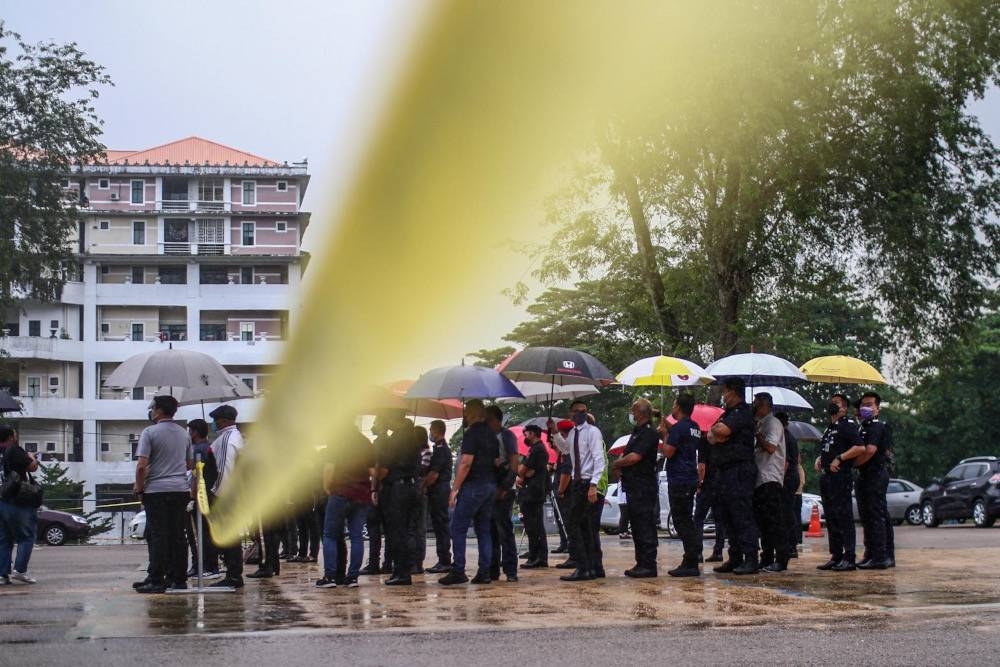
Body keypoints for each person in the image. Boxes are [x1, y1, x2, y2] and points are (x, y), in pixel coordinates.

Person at [133, 395, 193, 593]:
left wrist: (140, 489)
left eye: (153, 408)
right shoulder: (184, 434)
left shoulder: (149, 432)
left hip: (156, 491)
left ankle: (157, 580)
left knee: (158, 535)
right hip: (180, 489)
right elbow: (189, 464)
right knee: (178, 535)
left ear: (158, 410)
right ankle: (179, 579)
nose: (151, 411)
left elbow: (141, 466)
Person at [707, 378, 760, 575]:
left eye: (725, 391)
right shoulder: (727, 413)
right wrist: (719, 434)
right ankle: (735, 556)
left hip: (740, 470)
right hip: (725, 470)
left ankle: (751, 558)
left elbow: (722, 430)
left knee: (742, 515)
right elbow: (711, 436)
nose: (723, 394)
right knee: (727, 516)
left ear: (733, 392)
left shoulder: (743, 412)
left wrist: (721, 433)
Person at [439, 400, 496, 585]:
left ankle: (458, 570)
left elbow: (465, 462)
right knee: (483, 529)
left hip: (473, 486)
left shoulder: (472, 434)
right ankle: (485, 572)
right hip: (490, 485)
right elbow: (496, 461)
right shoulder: (492, 434)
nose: (464, 416)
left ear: (472, 413)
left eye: (466, 412)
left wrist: (454, 489)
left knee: (458, 527)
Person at [548, 399, 605, 582]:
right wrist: (555, 432)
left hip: (587, 482)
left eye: (583, 410)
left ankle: (584, 566)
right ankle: (592, 566)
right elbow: (565, 450)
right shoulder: (573, 433)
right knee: (584, 527)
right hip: (578, 482)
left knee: (575, 525)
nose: (580, 413)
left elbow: (599, 459)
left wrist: (593, 484)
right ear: (571, 413)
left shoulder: (593, 432)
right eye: (576, 411)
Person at [317, 427, 374, 588]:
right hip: (361, 494)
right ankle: (353, 577)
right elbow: (372, 471)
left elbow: (329, 468)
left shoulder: (337, 442)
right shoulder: (365, 442)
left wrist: (327, 487)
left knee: (330, 535)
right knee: (357, 537)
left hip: (340, 491)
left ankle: (330, 576)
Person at [612, 398, 660, 578]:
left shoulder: (649, 433)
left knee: (645, 526)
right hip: (633, 485)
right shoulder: (637, 432)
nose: (631, 414)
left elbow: (635, 457)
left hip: (643, 486)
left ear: (640, 413)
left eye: (633, 411)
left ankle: (648, 564)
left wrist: (618, 463)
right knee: (637, 526)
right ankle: (641, 562)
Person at [817, 393, 863, 571]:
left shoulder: (848, 425)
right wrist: (821, 458)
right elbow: (830, 447)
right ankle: (836, 555)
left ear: (844, 407)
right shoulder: (830, 427)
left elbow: (859, 447)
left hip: (841, 476)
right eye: (832, 403)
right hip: (827, 476)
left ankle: (849, 557)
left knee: (844, 517)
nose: (833, 406)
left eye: (836, 403)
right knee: (831, 517)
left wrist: (840, 458)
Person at [376, 412, 422, 586]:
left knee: (397, 532)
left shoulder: (395, 439)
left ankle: (401, 572)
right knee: (408, 531)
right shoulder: (414, 437)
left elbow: (385, 468)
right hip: (412, 487)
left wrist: (375, 476)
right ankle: (405, 569)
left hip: (398, 489)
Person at [851, 391, 894, 570]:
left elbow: (870, 450)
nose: (865, 408)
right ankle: (871, 553)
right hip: (865, 475)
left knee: (877, 515)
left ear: (877, 408)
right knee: (867, 516)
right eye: (863, 405)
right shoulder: (863, 426)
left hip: (875, 474)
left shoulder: (876, 426)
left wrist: (853, 464)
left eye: (870, 404)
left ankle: (881, 556)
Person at [662, 394, 702, 577]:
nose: (672, 406)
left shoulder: (678, 429)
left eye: (673, 403)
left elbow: (669, 452)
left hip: (679, 478)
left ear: (678, 407)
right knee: (687, 518)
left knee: (681, 520)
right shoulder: (694, 427)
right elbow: (681, 436)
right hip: (690, 477)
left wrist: (664, 434)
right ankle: (693, 556)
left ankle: (691, 560)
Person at [207, 404, 246, 588]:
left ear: (224, 420)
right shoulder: (237, 437)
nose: (214, 423)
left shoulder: (226, 440)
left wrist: (217, 493)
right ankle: (234, 573)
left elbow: (224, 470)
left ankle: (233, 575)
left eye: (216, 420)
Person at [751, 393, 789, 572]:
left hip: (770, 477)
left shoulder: (772, 423)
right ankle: (766, 556)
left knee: (774, 521)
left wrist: (758, 436)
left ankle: (781, 558)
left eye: (757, 404)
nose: (755, 407)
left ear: (765, 405)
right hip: (760, 478)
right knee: (764, 522)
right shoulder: (760, 423)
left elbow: (771, 447)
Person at [0, 425, 40, 585]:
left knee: (4, 538)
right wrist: (31, 456)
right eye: (15, 433)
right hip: (18, 500)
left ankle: (2, 574)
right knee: (26, 536)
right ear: (10, 436)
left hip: (2, 499)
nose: (16, 435)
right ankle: (20, 570)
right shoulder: (14, 450)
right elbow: (32, 467)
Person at [486, 405, 520, 582]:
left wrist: (505, 487)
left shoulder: (507, 436)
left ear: (496, 419)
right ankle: (493, 569)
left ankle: (510, 569)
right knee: (491, 530)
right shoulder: (488, 437)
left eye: (489, 419)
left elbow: (515, 463)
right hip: (490, 489)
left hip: (504, 489)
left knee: (504, 530)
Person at [187, 419, 220, 578]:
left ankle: (209, 567)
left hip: (202, 495)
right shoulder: (208, 447)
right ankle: (210, 566)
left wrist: (192, 497)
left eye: (190, 431)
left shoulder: (199, 450)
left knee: (203, 532)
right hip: (208, 494)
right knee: (205, 532)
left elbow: (196, 475)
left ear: (194, 432)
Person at [361, 418, 391, 576]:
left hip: (380, 489)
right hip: (390, 489)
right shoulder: (392, 442)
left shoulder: (379, 443)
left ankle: (374, 562)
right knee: (389, 529)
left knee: (374, 528)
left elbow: (377, 467)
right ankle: (388, 562)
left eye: (375, 423)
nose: (372, 426)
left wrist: (373, 490)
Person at [517, 425, 550, 568]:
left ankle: (535, 557)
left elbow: (523, 470)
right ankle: (539, 556)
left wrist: (522, 471)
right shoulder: (536, 449)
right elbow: (526, 471)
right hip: (533, 491)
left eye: (526, 434)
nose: (525, 437)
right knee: (536, 526)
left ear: (533, 434)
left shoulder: (537, 450)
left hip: (532, 492)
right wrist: (524, 472)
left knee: (533, 526)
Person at [424, 420, 453, 574]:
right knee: (439, 525)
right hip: (439, 490)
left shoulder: (441, 450)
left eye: (431, 430)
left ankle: (445, 560)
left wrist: (422, 486)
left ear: (436, 430)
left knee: (441, 525)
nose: (430, 433)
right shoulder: (439, 448)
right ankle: (442, 559)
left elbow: (434, 475)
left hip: (439, 490)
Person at [695, 430, 726, 562]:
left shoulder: (703, 442)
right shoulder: (723, 441)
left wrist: (698, 483)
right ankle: (718, 551)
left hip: (707, 484)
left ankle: (698, 552)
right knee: (719, 519)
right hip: (720, 484)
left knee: (698, 518)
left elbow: (702, 467)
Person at [774, 412, 802, 559]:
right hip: (792, 476)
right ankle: (791, 544)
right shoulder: (789, 436)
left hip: (788, 477)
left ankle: (791, 545)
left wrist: (780, 478)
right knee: (788, 511)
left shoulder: (784, 437)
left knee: (786, 512)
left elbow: (786, 461)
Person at [413, 425, 432, 574]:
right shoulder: (413, 453)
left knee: (419, 528)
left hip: (419, 492)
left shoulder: (425, 453)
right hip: (414, 491)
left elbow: (423, 469)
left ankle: (417, 561)